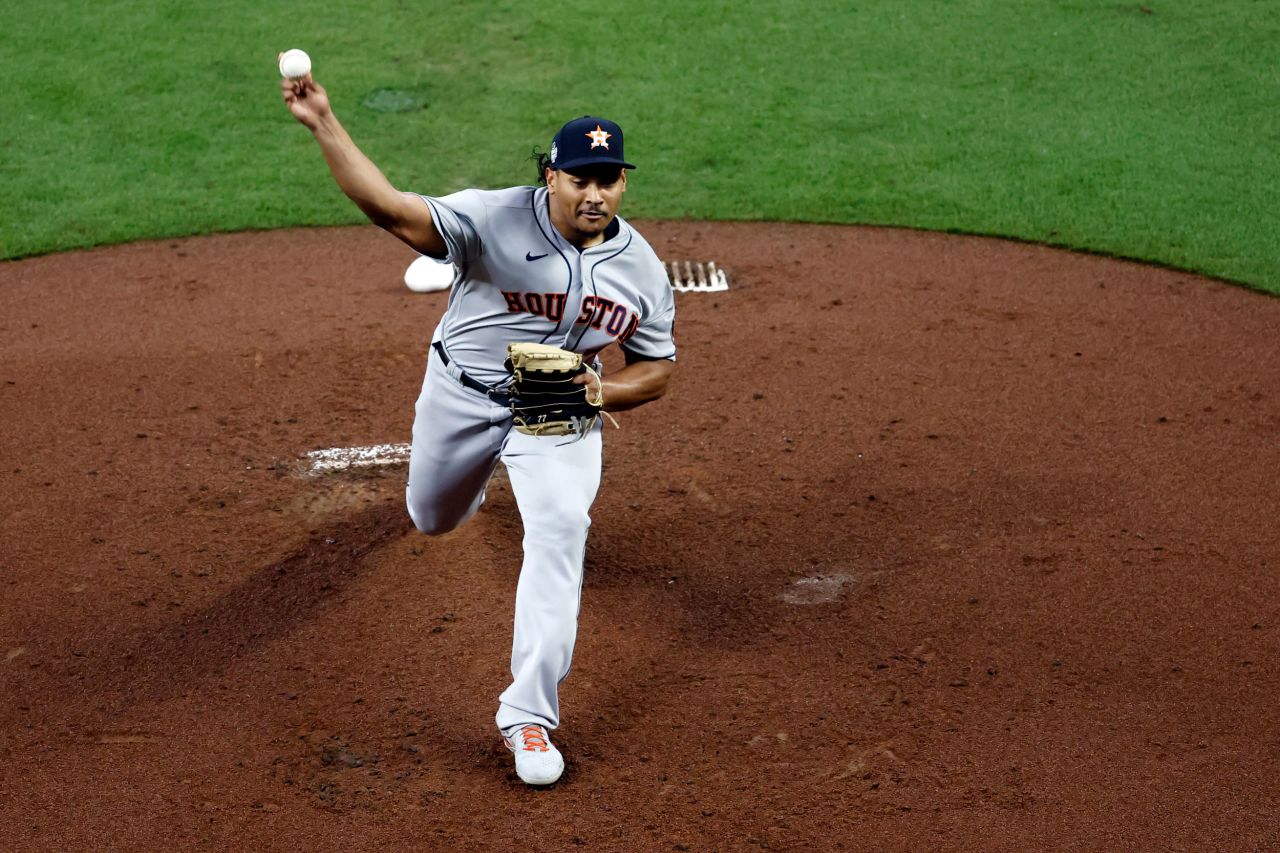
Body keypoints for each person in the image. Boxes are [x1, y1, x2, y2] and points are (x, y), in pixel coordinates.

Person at [281, 71, 676, 786]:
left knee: (561, 527)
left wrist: (604, 390)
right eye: (580, 178)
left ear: (623, 184)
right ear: (550, 174)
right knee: (432, 516)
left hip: (558, 409)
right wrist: (324, 123)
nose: (595, 193)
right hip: (461, 393)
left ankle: (528, 716)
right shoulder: (492, 218)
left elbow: (658, 368)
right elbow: (391, 209)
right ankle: (468, 490)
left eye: (609, 180)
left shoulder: (641, 269)